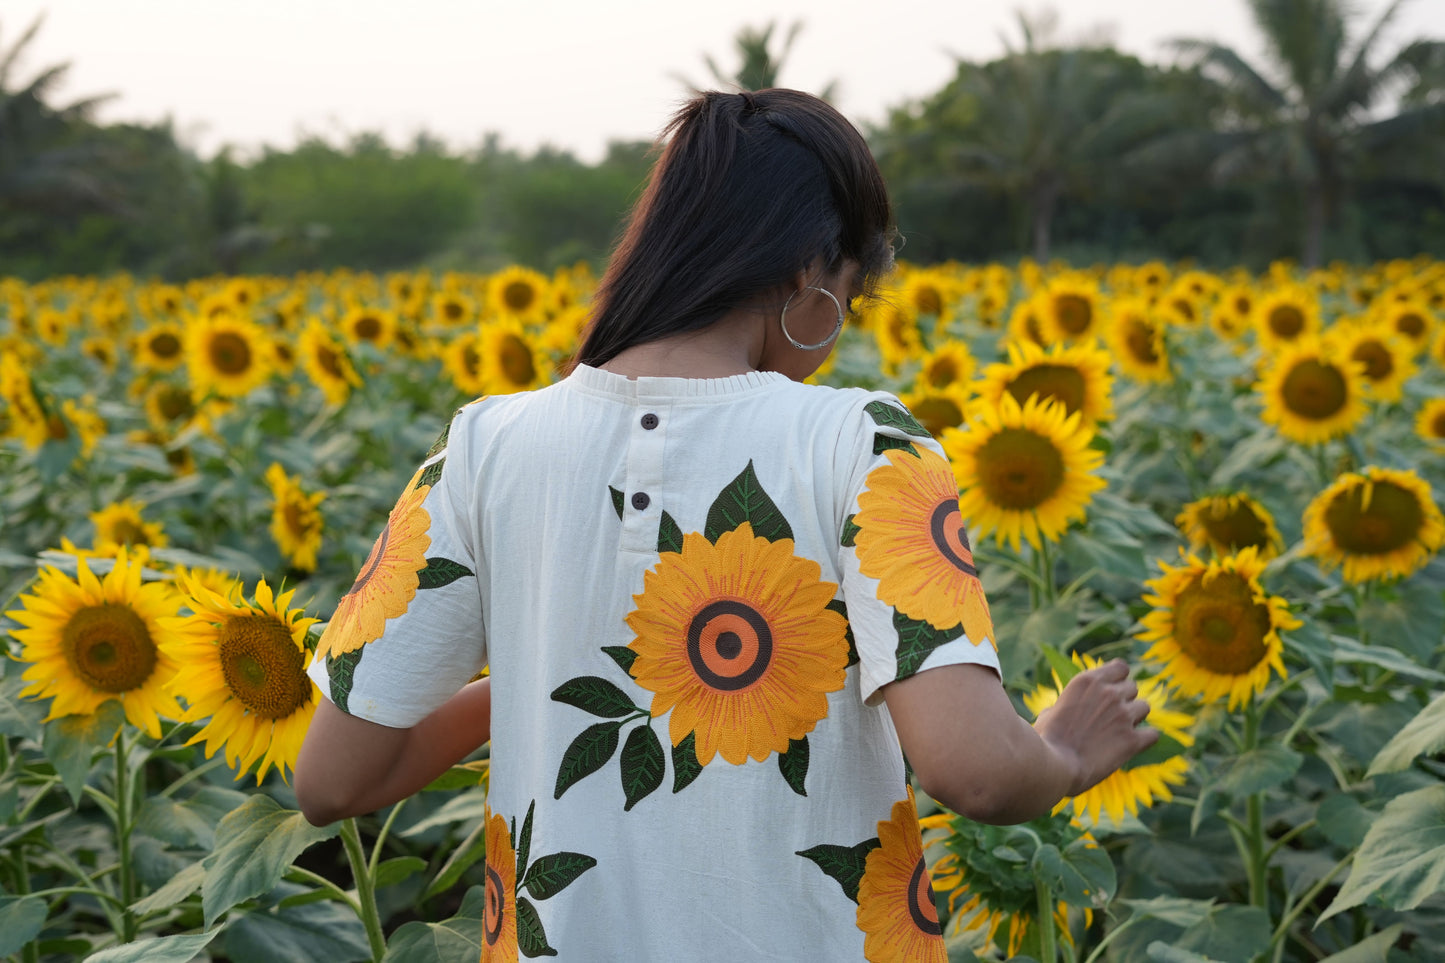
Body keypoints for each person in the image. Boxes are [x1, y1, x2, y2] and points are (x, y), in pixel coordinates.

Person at [295, 88, 1155, 962]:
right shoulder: (863, 442)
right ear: (809, 276)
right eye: (851, 301)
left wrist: (545, 672)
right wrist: (1065, 754)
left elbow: (332, 779)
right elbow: (974, 766)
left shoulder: (482, 445)